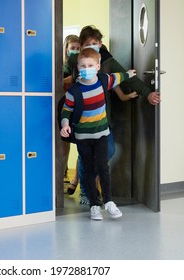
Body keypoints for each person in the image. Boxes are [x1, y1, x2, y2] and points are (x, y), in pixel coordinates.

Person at [65, 25, 158, 205]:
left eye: (95, 43)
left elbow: (127, 77)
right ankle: (86, 192)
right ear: (81, 45)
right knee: (86, 158)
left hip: (101, 118)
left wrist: (147, 93)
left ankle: (89, 181)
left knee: (109, 150)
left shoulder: (107, 61)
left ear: (100, 44)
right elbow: (63, 74)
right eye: (87, 44)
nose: (91, 46)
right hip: (82, 121)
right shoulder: (75, 60)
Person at [60, 47, 136, 220]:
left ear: (98, 65)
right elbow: (66, 110)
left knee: (103, 167)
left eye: (90, 65)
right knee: (87, 170)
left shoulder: (104, 81)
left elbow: (119, 76)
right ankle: (94, 205)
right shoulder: (74, 91)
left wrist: (130, 74)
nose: (86, 69)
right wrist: (65, 124)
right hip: (83, 137)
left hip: (101, 134)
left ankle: (108, 202)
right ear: (77, 67)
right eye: (83, 66)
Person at [61, 35, 80, 190]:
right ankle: (61, 173)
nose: (75, 51)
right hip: (64, 107)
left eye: (78, 48)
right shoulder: (61, 65)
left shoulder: (80, 66)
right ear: (66, 48)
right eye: (72, 48)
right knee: (63, 144)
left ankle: (75, 180)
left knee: (80, 145)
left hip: (77, 108)